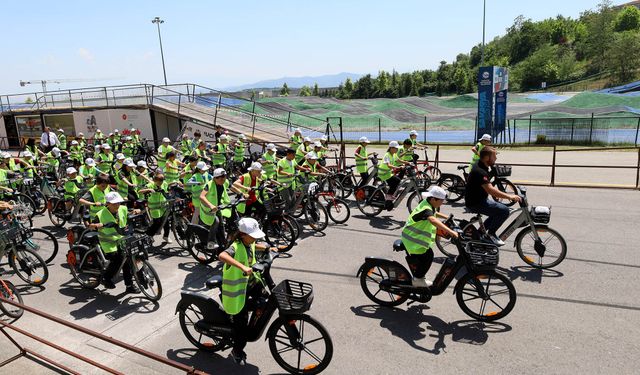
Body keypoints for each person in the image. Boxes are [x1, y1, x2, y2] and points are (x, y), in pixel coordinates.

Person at [218, 217, 270, 366]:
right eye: (252, 235)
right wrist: (242, 267)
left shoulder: (250, 243)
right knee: (242, 326)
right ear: (242, 235)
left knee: (266, 298)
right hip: (237, 292)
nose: (254, 238)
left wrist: (267, 248)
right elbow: (222, 255)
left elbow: (254, 247)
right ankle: (237, 351)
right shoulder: (235, 246)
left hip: (250, 284)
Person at [401, 186, 458, 287]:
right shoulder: (426, 208)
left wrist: (448, 217)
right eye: (441, 201)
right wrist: (451, 232)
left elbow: (434, 214)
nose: (442, 203)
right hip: (413, 241)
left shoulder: (427, 203)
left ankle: (419, 277)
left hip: (412, 238)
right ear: (433, 199)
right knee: (428, 256)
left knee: (425, 257)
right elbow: (432, 219)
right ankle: (418, 279)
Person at [464, 147, 521, 246]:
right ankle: (491, 234)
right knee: (504, 211)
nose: (496, 159)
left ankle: (481, 233)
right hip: (476, 202)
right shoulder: (480, 171)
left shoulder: (481, 164)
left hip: (479, 199)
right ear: (486, 158)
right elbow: (491, 190)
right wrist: (510, 197)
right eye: (494, 156)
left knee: (497, 210)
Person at [88, 192, 138, 293]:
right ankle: (107, 278)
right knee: (118, 259)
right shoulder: (100, 214)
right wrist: (96, 225)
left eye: (118, 203)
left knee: (128, 260)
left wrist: (136, 211)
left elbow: (128, 217)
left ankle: (129, 286)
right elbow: (91, 225)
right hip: (109, 243)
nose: (117, 205)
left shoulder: (123, 209)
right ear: (108, 203)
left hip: (122, 239)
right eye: (114, 203)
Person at [200, 168, 231, 249]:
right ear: (214, 178)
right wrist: (211, 206)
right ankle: (211, 242)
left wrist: (241, 193)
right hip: (208, 210)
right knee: (216, 221)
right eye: (219, 177)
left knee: (222, 225)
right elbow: (202, 196)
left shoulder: (225, 182)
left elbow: (232, 187)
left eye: (224, 176)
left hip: (218, 208)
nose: (222, 179)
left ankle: (223, 243)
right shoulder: (209, 185)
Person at [139, 173, 171, 243]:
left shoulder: (164, 183)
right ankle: (149, 235)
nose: (160, 183)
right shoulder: (150, 185)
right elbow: (140, 191)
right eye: (159, 181)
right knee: (157, 223)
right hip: (154, 208)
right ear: (155, 180)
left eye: (162, 181)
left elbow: (167, 191)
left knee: (166, 221)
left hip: (164, 206)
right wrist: (149, 190)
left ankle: (166, 236)